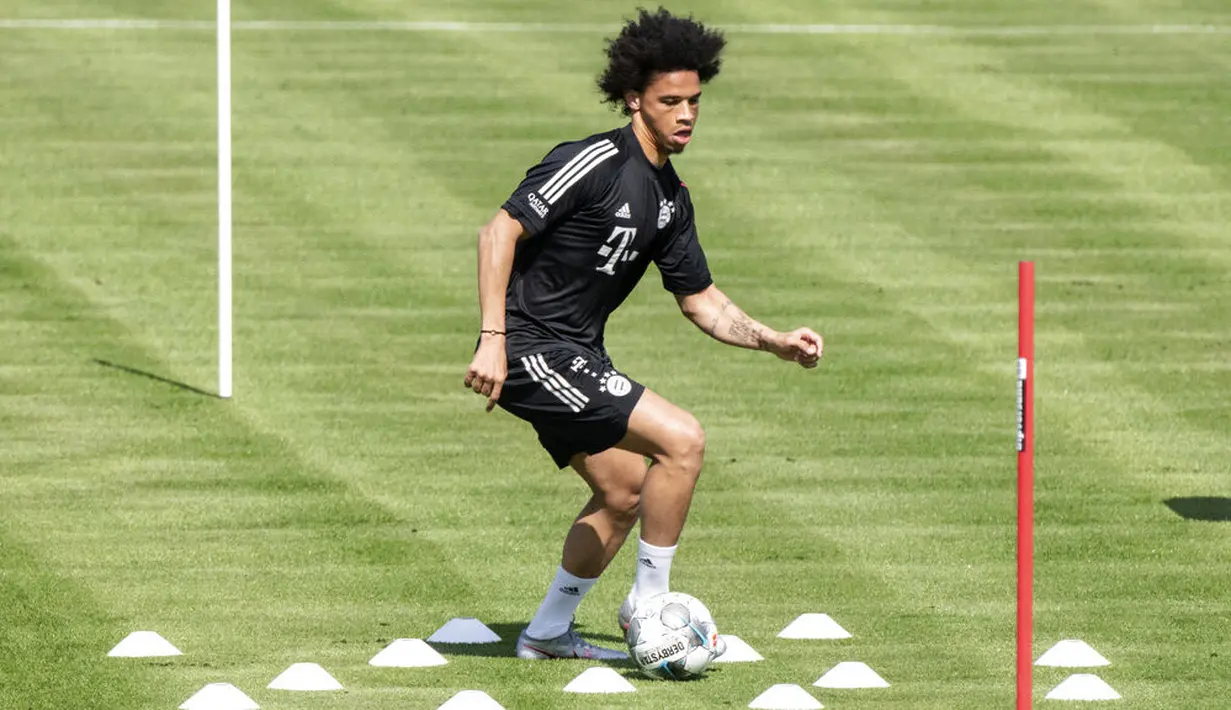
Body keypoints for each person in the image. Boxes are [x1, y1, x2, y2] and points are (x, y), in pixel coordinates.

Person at [464, 7, 823, 660]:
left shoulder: (668, 197)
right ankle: (649, 604)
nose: (685, 113)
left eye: (693, 101)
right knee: (682, 439)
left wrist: (772, 339)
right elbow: (499, 231)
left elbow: (701, 302)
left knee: (624, 491)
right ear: (634, 98)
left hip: (576, 353)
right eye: (670, 101)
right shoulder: (594, 161)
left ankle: (545, 635)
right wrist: (493, 336)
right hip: (532, 349)